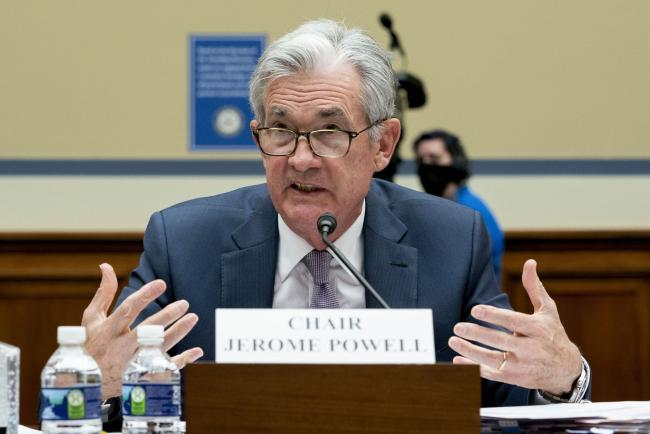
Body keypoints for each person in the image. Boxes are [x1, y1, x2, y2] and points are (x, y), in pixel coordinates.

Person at [81, 19, 590, 428]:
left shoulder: (451, 242)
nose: (300, 159)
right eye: (280, 131)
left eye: (329, 132)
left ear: (383, 145)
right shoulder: (184, 242)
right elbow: (126, 402)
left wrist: (564, 379)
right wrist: (97, 382)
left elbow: (506, 395)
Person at [414, 129, 505, 281]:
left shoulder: (471, 210)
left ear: (455, 160)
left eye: (434, 158)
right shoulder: (431, 208)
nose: (427, 165)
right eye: (421, 160)